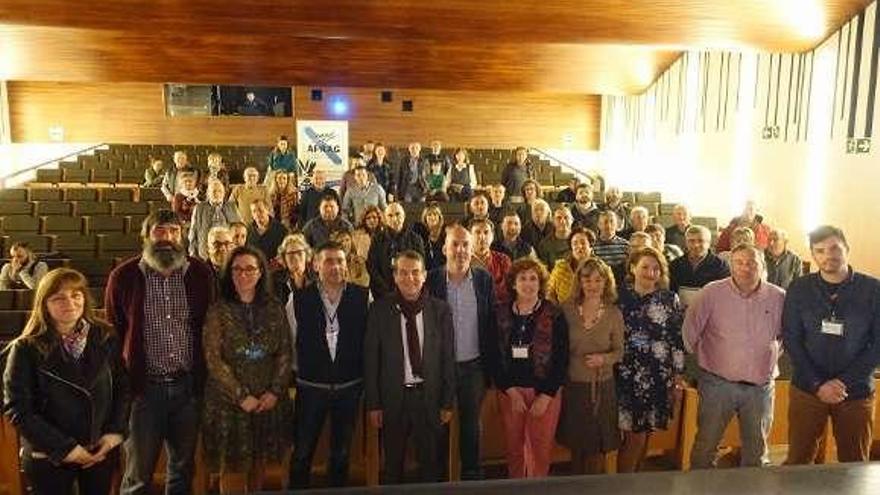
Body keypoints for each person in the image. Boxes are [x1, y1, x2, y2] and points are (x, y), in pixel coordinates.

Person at [105, 209, 215, 495]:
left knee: (182, 470)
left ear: (183, 237)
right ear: (146, 236)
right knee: (138, 475)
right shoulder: (123, 277)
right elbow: (115, 332)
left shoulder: (200, 274)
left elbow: (209, 328)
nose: (167, 238)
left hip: (188, 391)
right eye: (160, 231)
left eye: (174, 231)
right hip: (144, 393)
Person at [3, 268, 130, 495]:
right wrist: (66, 449)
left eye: (76, 295)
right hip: (50, 455)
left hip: (99, 450)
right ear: (44, 304)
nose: (69, 302)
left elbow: (122, 389)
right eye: (58, 297)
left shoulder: (106, 336)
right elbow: (18, 409)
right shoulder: (25, 348)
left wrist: (113, 435)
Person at [783, 225, 880, 464]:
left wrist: (842, 382)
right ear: (813, 255)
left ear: (846, 249)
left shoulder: (873, 289)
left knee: (854, 464)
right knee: (798, 460)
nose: (829, 255)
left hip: (855, 392)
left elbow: (878, 344)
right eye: (820, 250)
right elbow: (792, 340)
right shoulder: (799, 289)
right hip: (807, 389)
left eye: (835, 248)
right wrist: (818, 384)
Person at [683, 243, 785, 469]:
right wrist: (694, 373)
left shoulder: (778, 297)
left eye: (751, 262)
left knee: (756, 451)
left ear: (762, 266)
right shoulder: (711, 292)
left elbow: (785, 337)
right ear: (730, 265)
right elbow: (689, 332)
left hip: (760, 389)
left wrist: (768, 359)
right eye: (739, 262)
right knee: (705, 447)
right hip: (717, 385)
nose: (745, 268)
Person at [202, 246, 292, 493]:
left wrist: (274, 391)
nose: (243, 274)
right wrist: (241, 396)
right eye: (237, 269)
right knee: (232, 471)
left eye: (250, 268)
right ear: (229, 273)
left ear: (261, 272)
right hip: (229, 405)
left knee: (258, 467)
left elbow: (285, 351)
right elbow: (213, 359)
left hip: (266, 401)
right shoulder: (218, 309)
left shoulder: (274, 306)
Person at [364, 250, 455, 484]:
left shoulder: (440, 310)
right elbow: (371, 360)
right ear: (394, 276)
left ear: (424, 275)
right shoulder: (379, 310)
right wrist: (374, 404)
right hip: (393, 399)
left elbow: (447, 358)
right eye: (403, 272)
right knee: (393, 467)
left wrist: (447, 401)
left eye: (415, 272)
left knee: (431, 466)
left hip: (430, 398)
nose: (410, 278)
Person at [289, 242, 370, 488]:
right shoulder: (298, 299)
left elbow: (367, 340)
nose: (335, 266)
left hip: (349, 388)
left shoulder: (363, 295)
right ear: (315, 265)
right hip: (311, 388)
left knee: (341, 454)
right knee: (302, 453)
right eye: (328, 261)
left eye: (340, 261)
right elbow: (291, 340)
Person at [427, 225, 499, 481]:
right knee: (437, 428)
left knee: (471, 428)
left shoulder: (483, 279)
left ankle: (472, 479)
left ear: (472, 248)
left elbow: (491, 325)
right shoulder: (432, 279)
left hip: (473, 367)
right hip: (439, 368)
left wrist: (492, 371)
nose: (460, 250)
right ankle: (436, 481)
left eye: (465, 244)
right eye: (455, 244)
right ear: (444, 248)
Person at [493, 258, 569, 478]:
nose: (528, 283)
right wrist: (510, 391)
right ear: (513, 283)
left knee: (541, 451)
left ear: (541, 283)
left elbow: (561, 359)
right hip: (510, 392)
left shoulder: (555, 314)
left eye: (533, 278)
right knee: (514, 449)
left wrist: (546, 396)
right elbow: (493, 356)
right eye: (522, 278)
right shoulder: (499, 313)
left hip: (545, 393)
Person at [615, 247, 685, 473]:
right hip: (626, 374)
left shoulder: (669, 298)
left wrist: (677, 376)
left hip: (658, 374)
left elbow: (676, 338)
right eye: (645, 266)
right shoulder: (618, 297)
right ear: (633, 268)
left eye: (656, 268)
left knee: (647, 433)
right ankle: (624, 485)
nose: (650, 272)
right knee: (632, 436)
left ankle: (637, 478)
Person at [556, 258, 624, 474]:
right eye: (587, 279)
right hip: (574, 386)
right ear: (579, 282)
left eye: (598, 280)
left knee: (597, 448)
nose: (592, 285)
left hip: (602, 387)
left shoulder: (614, 313)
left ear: (606, 282)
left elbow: (620, 352)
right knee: (577, 446)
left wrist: (604, 359)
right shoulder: (566, 310)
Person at [366, 202, 425, 300]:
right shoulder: (377, 239)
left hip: (410, 290)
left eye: (397, 214)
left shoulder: (416, 239)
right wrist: (384, 288)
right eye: (390, 215)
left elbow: (421, 265)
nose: (394, 219)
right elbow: (372, 266)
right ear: (385, 219)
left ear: (404, 216)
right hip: (383, 292)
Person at [274, 234, 312, 371]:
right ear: (284, 259)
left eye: (299, 253)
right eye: (290, 254)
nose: (295, 257)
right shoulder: (276, 284)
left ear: (307, 256)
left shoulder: (316, 282)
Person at [669, 225, 730, 307]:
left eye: (700, 241)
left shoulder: (721, 266)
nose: (696, 245)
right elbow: (671, 293)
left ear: (709, 243)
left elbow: (724, 295)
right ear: (686, 243)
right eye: (691, 241)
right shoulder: (675, 265)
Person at [189, 179, 241, 260]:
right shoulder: (199, 208)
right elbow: (193, 233)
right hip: (205, 253)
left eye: (220, 191)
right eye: (214, 191)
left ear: (224, 193)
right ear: (208, 194)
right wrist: (192, 255)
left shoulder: (232, 207)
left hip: (228, 253)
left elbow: (239, 230)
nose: (217, 194)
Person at [546, 228, 595, 304]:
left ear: (590, 246)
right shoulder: (561, 267)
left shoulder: (601, 269)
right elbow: (550, 292)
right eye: (575, 243)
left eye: (583, 243)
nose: (579, 246)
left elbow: (609, 295)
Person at [470, 218, 512, 302]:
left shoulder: (503, 260)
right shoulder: (463, 260)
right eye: (477, 232)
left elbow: (507, 290)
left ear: (492, 236)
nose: (482, 237)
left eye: (486, 232)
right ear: (470, 236)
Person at [246, 199, 288, 264]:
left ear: (267, 210)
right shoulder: (248, 231)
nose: (257, 214)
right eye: (254, 211)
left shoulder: (281, 229)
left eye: (260, 210)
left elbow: (286, 251)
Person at [414, 203, 447, 273]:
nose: (432, 217)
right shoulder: (419, 232)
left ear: (439, 217)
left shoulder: (445, 233)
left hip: (443, 270)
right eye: (429, 215)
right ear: (425, 218)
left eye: (435, 214)